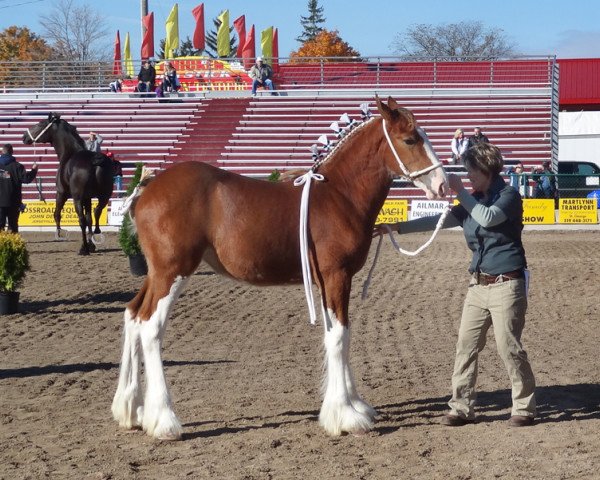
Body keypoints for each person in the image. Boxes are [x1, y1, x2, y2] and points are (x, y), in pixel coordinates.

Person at [377, 142, 536, 427]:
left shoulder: (508, 196)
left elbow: (488, 218)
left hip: (506, 284)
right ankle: (461, 407)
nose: (467, 175)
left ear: (486, 169)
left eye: (471, 170)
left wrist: (460, 192)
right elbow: (440, 220)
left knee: (508, 347)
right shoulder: (473, 198)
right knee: (466, 346)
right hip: (477, 286)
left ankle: (523, 407)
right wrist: (397, 226)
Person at [0, 144, 38, 232]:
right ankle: (13, 244)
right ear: (12, 152)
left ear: (2, 152)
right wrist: (34, 171)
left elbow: (6, 175)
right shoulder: (18, 166)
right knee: (13, 226)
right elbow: (26, 179)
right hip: (14, 202)